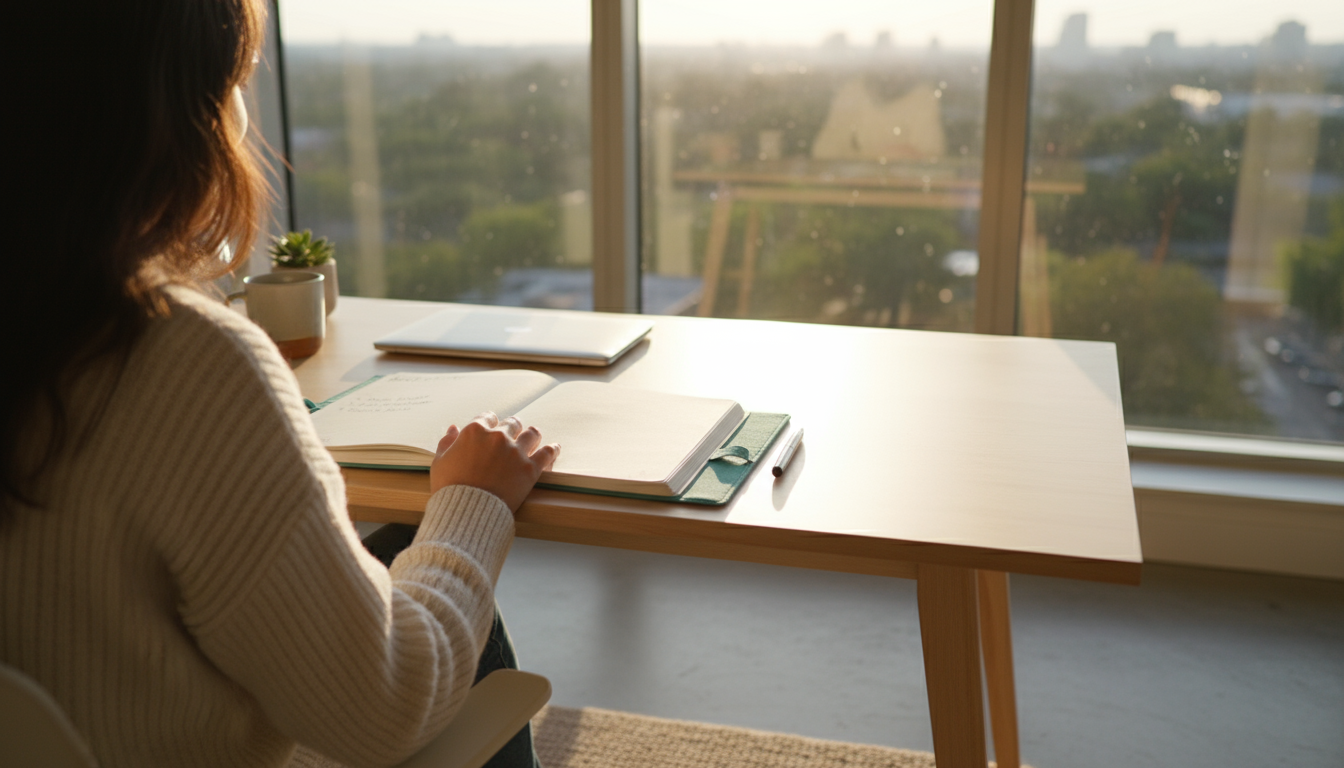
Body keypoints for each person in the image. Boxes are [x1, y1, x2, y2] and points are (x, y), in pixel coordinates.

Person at [1, 1, 557, 766]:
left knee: (398, 549)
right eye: (232, 81)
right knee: (449, 599)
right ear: (167, 119)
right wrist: (477, 502)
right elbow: (386, 706)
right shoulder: (176, 359)